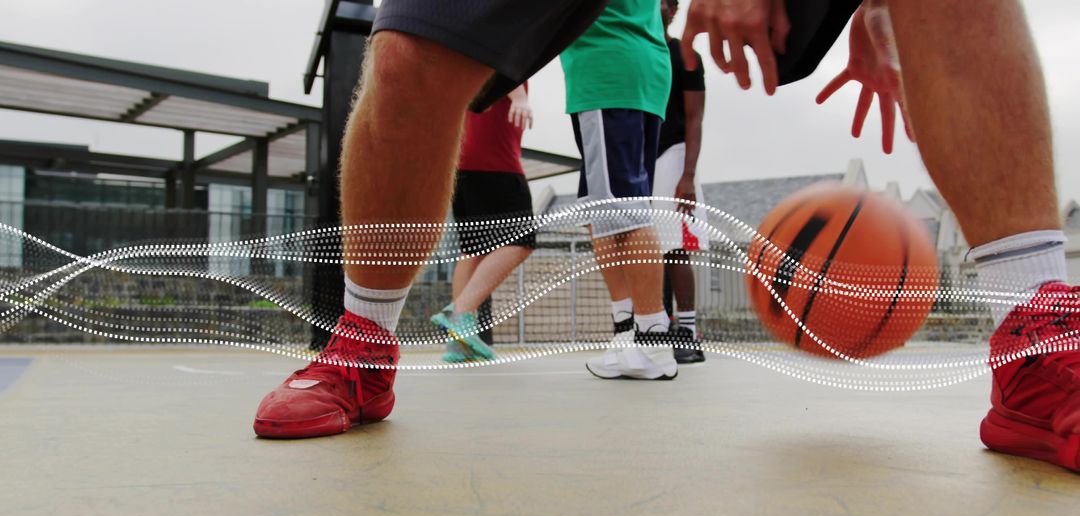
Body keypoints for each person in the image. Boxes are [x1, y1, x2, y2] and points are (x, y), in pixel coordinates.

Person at [252, 0, 1080, 476]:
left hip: (623, 79)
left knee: (617, 211)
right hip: (622, 78)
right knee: (408, 50)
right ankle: (362, 344)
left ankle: (1039, 345)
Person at [561, 0, 678, 381]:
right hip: (639, 68)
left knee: (624, 212)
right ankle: (629, 334)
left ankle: (651, 341)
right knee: (605, 211)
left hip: (606, 68)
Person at [431, 84, 537, 363]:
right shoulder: (513, 46)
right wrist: (520, 96)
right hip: (495, 163)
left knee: (473, 250)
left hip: (465, 162)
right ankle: (461, 314)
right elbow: (499, 66)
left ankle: (458, 345)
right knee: (522, 241)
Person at [655, 0, 709, 364]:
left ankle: (687, 331)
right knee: (647, 251)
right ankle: (656, 327)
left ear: (673, 10)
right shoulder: (636, 51)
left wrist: (687, 175)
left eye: (664, 1)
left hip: (672, 157)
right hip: (639, 158)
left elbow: (694, 117)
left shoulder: (685, 55)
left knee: (675, 247)